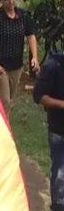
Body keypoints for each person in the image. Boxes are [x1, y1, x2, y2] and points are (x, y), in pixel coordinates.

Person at [0, 0, 39, 112]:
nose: (12, 1)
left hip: (16, 66)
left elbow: (31, 36)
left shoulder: (23, 16)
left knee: (9, 98)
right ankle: (5, 129)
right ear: (1, 0)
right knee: (4, 101)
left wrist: (35, 57)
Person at [32, 48, 64, 211]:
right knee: (59, 173)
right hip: (59, 130)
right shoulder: (53, 66)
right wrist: (61, 104)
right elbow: (38, 96)